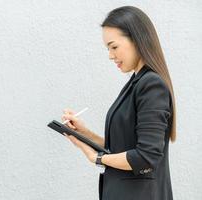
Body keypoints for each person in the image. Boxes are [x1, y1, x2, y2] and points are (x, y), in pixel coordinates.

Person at [61, 6, 176, 200]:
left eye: (114, 47)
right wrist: (84, 134)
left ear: (137, 39)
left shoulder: (151, 85)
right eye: (108, 49)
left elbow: (146, 157)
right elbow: (124, 146)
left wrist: (96, 158)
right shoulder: (136, 83)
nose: (110, 55)